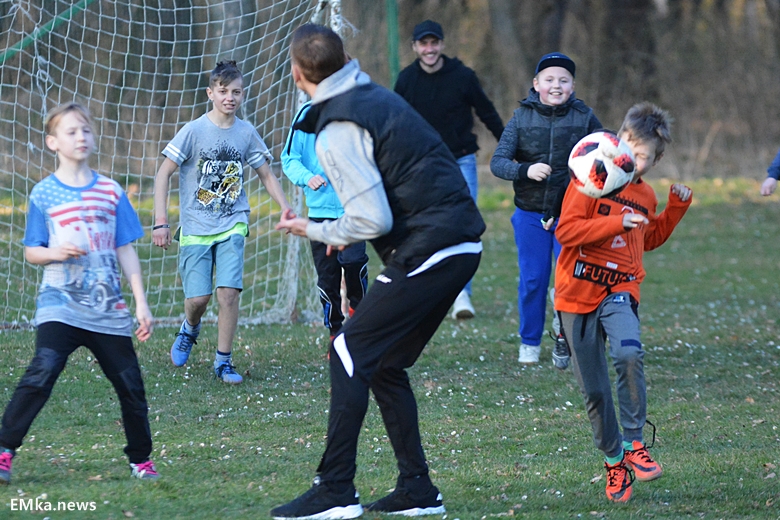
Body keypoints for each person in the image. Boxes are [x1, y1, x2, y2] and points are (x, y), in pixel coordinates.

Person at [271, 24, 485, 519]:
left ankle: (335, 490)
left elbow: (373, 220)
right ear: (346, 60)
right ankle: (418, 490)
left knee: (347, 347)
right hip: (457, 243)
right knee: (384, 363)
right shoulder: (373, 94)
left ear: (298, 74)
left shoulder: (338, 127)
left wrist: (314, 228)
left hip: (432, 245)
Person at [0, 103, 158, 484]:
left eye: (85, 130)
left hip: (108, 310)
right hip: (61, 306)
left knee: (131, 385)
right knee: (42, 372)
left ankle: (140, 460)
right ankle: (4, 450)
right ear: (52, 142)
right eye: (71, 132)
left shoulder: (111, 191)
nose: (81, 137)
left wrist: (140, 302)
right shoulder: (43, 194)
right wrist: (56, 252)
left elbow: (125, 250)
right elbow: (32, 251)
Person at [553, 102, 692, 502]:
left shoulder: (644, 195)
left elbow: (647, 239)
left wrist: (674, 210)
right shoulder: (590, 178)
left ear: (656, 161)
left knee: (629, 353)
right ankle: (614, 462)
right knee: (594, 391)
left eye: (643, 156)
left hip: (621, 289)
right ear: (617, 141)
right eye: (629, 148)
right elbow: (567, 233)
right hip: (575, 294)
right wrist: (616, 222)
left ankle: (634, 443)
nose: (633, 159)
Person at [152, 60, 292, 384]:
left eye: (236, 92)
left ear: (243, 95)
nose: (230, 97)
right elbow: (163, 174)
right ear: (210, 93)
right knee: (198, 300)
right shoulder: (193, 131)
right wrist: (161, 222)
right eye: (224, 91)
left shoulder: (246, 133)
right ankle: (190, 328)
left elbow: (266, 175)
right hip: (196, 227)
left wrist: (285, 208)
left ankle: (223, 362)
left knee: (228, 294)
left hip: (233, 223)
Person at [490, 52, 601, 368]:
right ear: (536, 84)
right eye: (549, 79)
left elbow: (607, 155)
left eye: (563, 80)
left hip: (572, 213)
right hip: (530, 214)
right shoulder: (521, 118)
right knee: (533, 279)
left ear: (572, 86)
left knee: (571, 280)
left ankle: (565, 333)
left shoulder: (585, 117)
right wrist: (525, 170)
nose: (556, 85)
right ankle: (529, 342)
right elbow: (498, 162)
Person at [395, 19, 503, 320]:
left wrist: (510, 148)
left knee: (464, 225)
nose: (429, 49)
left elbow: (487, 112)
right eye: (423, 43)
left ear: (442, 44)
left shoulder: (463, 76)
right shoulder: (406, 80)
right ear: (415, 47)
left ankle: (462, 295)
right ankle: (429, 291)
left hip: (461, 160)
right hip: (422, 165)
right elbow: (396, 123)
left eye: (434, 43)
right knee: (426, 228)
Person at [281, 100, 369, 339]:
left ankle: (358, 314)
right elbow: (289, 158)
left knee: (353, 261)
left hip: (352, 209)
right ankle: (335, 332)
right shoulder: (306, 113)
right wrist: (307, 177)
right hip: (320, 213)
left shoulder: (356, 107)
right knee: (328, 278)